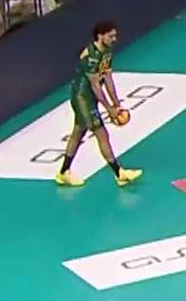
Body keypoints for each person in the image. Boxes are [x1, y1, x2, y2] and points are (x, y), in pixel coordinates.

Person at [54, 20, 142, 187]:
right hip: (82, 98)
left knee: (77, 133)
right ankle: (119, 173)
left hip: (91, 98)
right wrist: (109, 109)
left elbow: (107, 78)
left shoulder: (107, 51)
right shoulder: (91, 57)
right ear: (100, 36)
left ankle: (63, 172)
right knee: (102, 134)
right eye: (110, 36)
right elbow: (95, 86)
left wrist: (116, 103)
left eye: (115, 36)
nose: (114, 39)